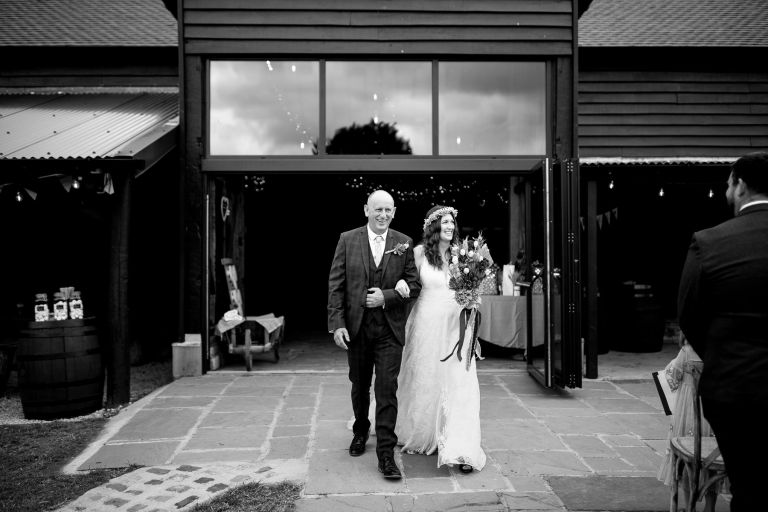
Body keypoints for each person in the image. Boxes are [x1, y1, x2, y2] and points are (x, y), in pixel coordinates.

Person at [677, 151, 768, 511]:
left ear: (741, 185)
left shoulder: (710, 241)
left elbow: (688, 315)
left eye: (728, 184)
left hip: (736, 388)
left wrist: (719, 353)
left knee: (748, 486)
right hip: (736, 384)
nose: (727, 192)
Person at [327, 189, 420, 480]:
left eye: (388, 210)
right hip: (357, 328)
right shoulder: (348, 239)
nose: (382, 215)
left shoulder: (403, 243)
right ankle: (360, 430)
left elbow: (414, 286)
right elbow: (336, 285)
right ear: (366, 210)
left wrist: (387, 296)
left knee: (386, 389)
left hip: (390, 330)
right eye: (377, 209)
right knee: (359, 384)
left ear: (394, 212)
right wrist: (337, 323)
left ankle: (386, 454)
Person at [395, 205, 487, 473]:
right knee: (425, 376)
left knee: (459, 382)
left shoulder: (464, 255)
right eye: (444, 222)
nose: (450, 226)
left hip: (457, 326)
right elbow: (408, 283)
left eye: (452, 222)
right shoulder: (420, 253)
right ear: (433, 226)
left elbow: (474, 286)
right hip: (426, 323)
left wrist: (474, 299)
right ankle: (425, 432)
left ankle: (461, 446)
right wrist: (399, 286)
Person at [657, 333, 728, 507]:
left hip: (689, 412)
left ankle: (689, 503)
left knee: (687, 462)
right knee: (710, 463)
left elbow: (673, 378)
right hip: (712, 411)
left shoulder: (687, 351)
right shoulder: (719, 350)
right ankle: (710, 505)